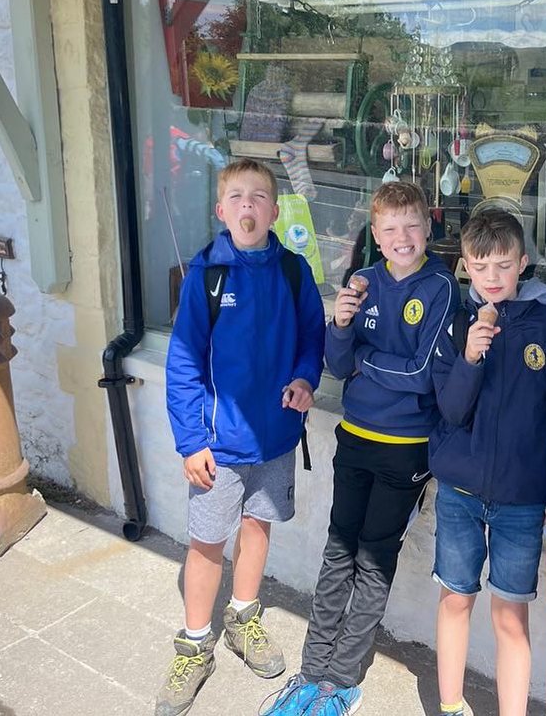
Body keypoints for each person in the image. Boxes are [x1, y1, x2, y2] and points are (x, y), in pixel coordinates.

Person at [265, 180, 459, 716]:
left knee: (373, 562)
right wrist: (344, 324)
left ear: (428, 228)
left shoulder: (441, 287)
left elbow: (423, 375)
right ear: (375, 233)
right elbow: (339, 364)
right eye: (390, 228)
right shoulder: (363, 281)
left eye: (412, 226)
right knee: (338, 550)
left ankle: (341, 682)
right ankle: (311, 669)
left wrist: (366, 366)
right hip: (355, 438)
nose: (402, 237)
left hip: (406, 448)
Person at [156, 158, 325, 716]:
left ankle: (244, 618)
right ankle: (194, 643)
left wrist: (304, 378)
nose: (248, 205)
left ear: (275, 211)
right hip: (217, 444)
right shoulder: (206, 275)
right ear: (221, 209)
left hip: (275, 435)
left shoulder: (294, 272)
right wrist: (189, 441)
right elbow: (182, 364)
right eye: (237, 196)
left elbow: (310, 338)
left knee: (257, 526)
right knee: (206, 542)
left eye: (258, 196)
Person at [428, 209, 546, 716]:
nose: (492, 279)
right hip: (461, 493)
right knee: (456, 599)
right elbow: (451, 409)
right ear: (466, 266)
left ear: (523, 263)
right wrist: (469, 358)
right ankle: (450, 704)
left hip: (522, 498)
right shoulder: (455, 324)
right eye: (481, 268)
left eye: (503, 266)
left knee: (511, 616)